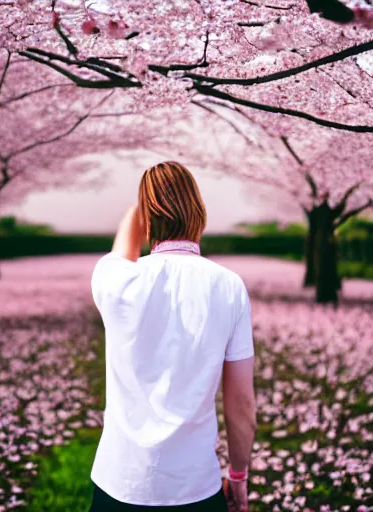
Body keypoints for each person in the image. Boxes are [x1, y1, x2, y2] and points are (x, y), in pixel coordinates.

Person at [88, 161, 257, 512]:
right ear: (199, 212)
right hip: (196, 485)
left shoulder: (116, 280)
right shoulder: (229, 287)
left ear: (145, 219)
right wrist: (238, 476)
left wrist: (138, 210)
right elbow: (241, 405)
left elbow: (123, 251)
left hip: (120, 481)